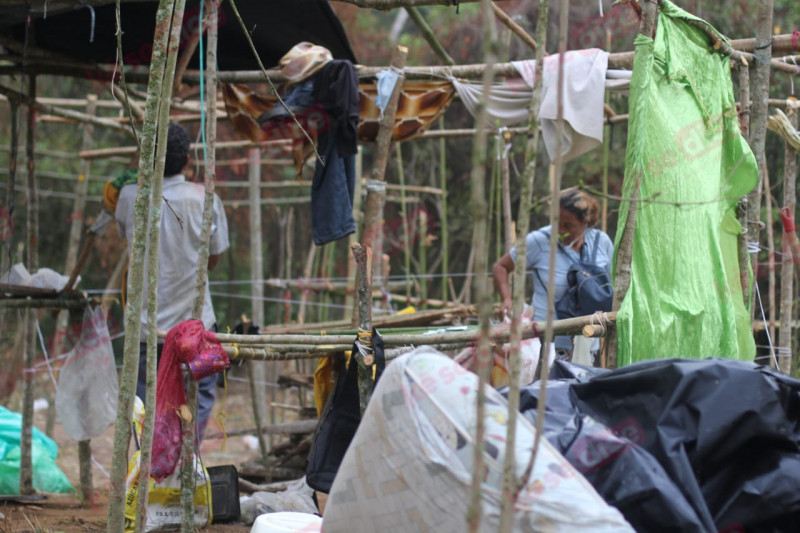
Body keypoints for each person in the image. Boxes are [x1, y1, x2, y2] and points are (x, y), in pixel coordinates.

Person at [115, 123, 230, 440]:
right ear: (187, 160)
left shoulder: (129, 197)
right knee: (200, 397)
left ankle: (152, 475)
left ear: (146, 158)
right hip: (197, 328)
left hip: (145, 332)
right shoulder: (205, 199)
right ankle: (185, 463)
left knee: (146, 407)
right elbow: (214, 258)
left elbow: (122, 236)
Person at [492, 188, 613, 363]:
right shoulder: (539, 241)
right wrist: (507, 300)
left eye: (568, 225)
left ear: (585, 222)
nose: (560, 230)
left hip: (588, 344)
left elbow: (609, 284)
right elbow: (501, 267)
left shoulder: (601, 242)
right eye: (556, 222)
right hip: (546, 345)